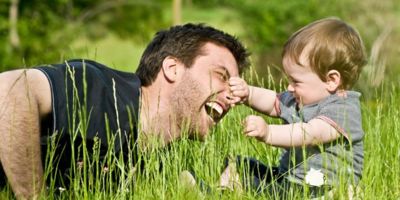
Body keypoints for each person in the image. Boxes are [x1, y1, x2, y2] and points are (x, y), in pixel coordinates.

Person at [0, 23, 250, 199]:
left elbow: (188, 184)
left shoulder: (161, 161)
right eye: (221, 76)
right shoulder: (101, 90)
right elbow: (9, 90)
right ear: (172, 68)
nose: (234, 94)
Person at [224, 18, 367, 198]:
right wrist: (248, 93)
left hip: (320, 185)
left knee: (278, 192)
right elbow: (273, 101)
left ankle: (230, 188)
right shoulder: (300, 98)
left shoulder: (343, 109)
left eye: (296, 81)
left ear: (331, 80)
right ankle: (226, 185)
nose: (290, 87)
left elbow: (310, 133)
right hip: (290, 176)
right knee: (239, 163)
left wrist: (268, 133)